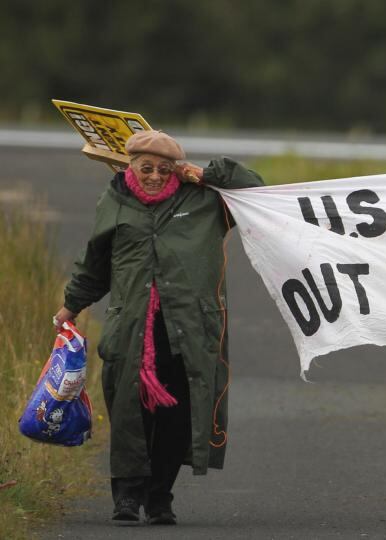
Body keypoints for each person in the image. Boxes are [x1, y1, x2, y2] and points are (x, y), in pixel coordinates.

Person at [53, 130, 265, 525]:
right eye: (145, 167)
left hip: (189, 331)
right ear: (129, 165)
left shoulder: (205, 201)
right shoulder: (114, 201)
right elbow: (95, 262)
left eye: (164, 169)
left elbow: (255, 190)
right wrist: (71, 306)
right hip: (131, 328)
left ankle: (160, 497)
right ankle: (127, 498)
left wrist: (204, 174)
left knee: (179, 416)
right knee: (129, 411)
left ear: (177, 170)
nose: (154, 176)